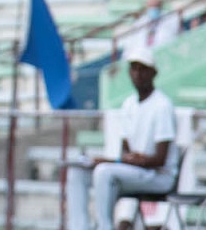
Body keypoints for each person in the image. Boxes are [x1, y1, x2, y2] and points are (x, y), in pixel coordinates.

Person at [66, 46, 179, 230]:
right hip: (135, 171)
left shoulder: (162, 106)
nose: (137, 74)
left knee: (104, 171)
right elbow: (125, 151)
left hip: (158, 177)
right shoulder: (129, 105)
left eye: (142, 69)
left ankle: (105, 226)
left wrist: (123, 160)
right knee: (78, 172)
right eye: (133, 68)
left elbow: (159, 160)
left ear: (153, 73)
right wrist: (125, 160)